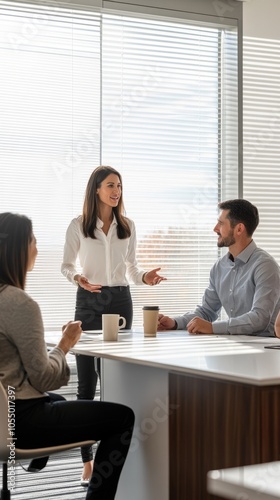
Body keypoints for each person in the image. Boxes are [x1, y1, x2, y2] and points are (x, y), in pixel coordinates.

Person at [0, 212, 135, 500]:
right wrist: (64, 344)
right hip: (19, 420)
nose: (37, 247)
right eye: (33, 240)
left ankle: (39, 461)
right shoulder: (19, 303)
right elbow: (46, 377)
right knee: (123, 417)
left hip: (5, 412)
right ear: (18, 249)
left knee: (59, 402)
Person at [61, 165, 166, 484]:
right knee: (87, 383)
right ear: (96, 189)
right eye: (110, 185)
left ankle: (117, 458)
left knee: (117, 375)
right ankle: (87, 461)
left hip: (121, 299)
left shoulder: (127, 225)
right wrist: (78, 277)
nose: (116, 190)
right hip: (89, 301)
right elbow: (66, 265)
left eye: (119, 185)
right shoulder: (79, 225)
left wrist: (145, 278)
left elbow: (131, 269)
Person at [158, 199, 280, 337]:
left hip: (265, 348)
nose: (215, 228)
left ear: (239, 229)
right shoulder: (219, 267)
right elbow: (206, 311)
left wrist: (212, 328)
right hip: (234, 345)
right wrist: (174, 323)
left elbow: (260, 318)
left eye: (221, 223)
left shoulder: (265, 266)